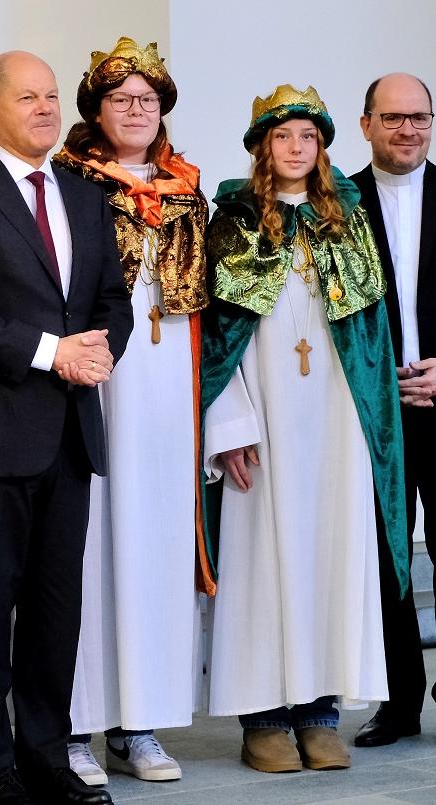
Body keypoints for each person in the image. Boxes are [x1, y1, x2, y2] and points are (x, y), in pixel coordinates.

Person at [0, 50, 133, 805]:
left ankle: (47, 754)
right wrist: (53, 354)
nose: (43, 108)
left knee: (53, 608)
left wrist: (98, 353)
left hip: (69, 434)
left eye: (49, 96)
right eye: (25, 96)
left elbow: (110, 299)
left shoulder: (82, 195)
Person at [201, 84, 409, 774]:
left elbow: (368, 334)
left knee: (329, 555)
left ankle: (320, 712)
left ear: (322, 147)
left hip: (333, 421)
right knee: (263, 559)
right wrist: (227, 420)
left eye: (308, 138)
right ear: (262, 145)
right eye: (282, 136)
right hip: (262, 421)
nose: (296, 148)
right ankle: (261, 716)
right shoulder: (232, 218)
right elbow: (214, 336)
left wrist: (367, 419)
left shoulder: (343, 221)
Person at [53, 39, 208, 785]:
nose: (137, 108)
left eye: (147, 98)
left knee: (152, 546)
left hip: (166, 387)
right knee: (86, 551)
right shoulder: (68, 181)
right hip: (98, 380)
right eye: (121, 98)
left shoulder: (186, 188)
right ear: (96, 110)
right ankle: (78, 720)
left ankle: (139, 722)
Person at [350, 72, 436, 747]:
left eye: (418, 117)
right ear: (365, 124)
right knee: (385, 560)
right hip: (372, 413)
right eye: (392, 118)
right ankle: (398, 702)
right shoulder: (337, 204)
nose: (406, 130)